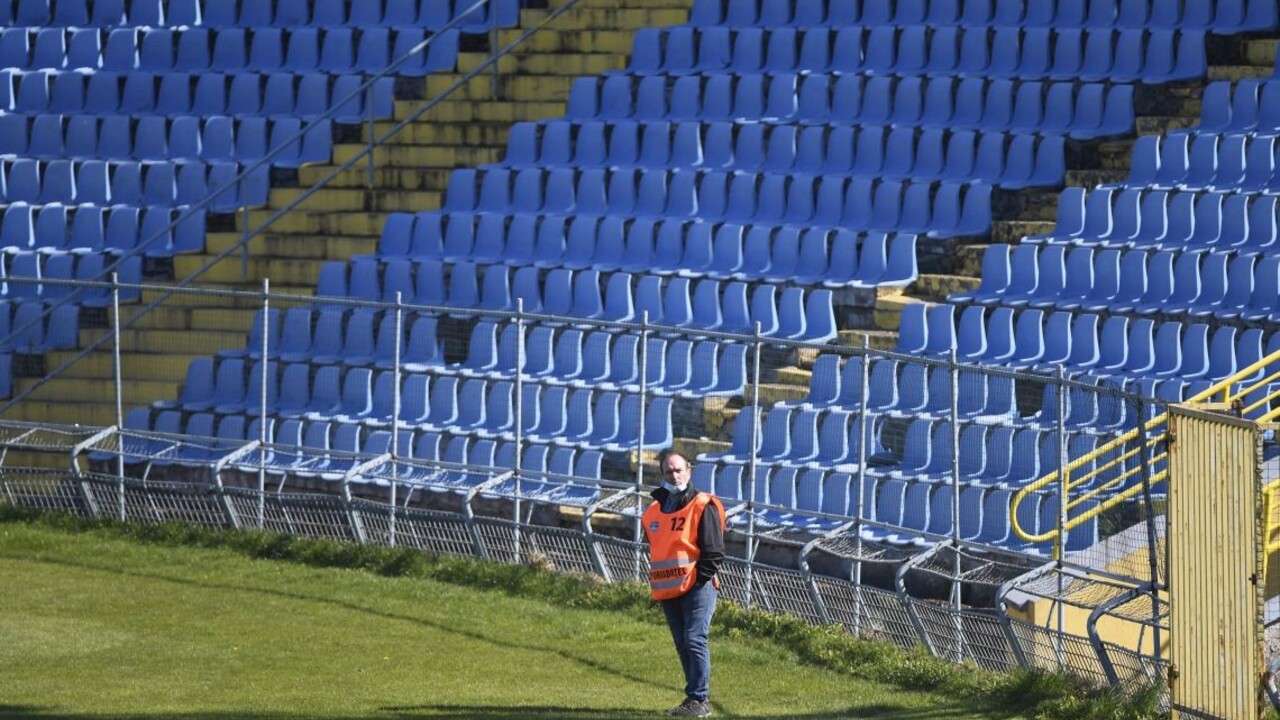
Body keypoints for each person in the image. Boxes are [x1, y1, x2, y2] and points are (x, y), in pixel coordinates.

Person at [642, 451, 725, 718]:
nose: (674, 475)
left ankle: (699, 699)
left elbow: (713, 552)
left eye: (678, 470)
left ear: (688, 472)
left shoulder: (703, 505)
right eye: (669, 471)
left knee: (694, 638)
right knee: (682, 643)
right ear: (662, 475)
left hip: (698, 587)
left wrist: (697, 580)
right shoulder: (654, 510)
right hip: (669, 588)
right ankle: (694, 698)